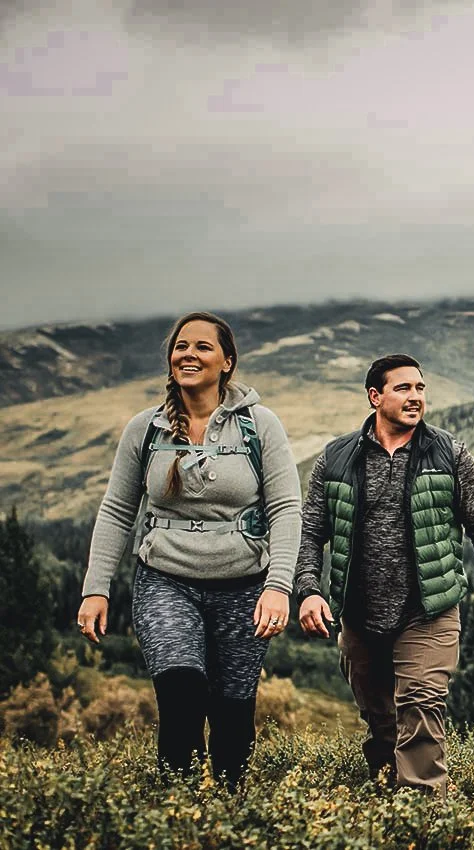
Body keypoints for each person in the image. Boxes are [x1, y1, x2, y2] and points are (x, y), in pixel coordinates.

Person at [76, 311, 301, 788]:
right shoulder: (147, 428)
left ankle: (225, 810)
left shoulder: (260, 426)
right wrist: (96, 588)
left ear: (227, 362)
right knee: (181, 697)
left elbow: (286, 509)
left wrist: (279, 586)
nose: (189, 354)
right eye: (181, 346)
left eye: (202, 346)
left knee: (233, 714)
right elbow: (117, 509)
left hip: (244, 586)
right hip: (165, 579)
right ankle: (176, 814)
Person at [295, 353, 474, 794]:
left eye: (420, 389)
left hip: (428, 609)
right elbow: (311, 530)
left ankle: (423, 817)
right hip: (359, 612)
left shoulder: (449, 454)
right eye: (404, 388)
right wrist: (308, 589)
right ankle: (385, 797)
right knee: (381, 721)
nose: (416, 397)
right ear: (375, 396)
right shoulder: (335, 459)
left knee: (421, 704)